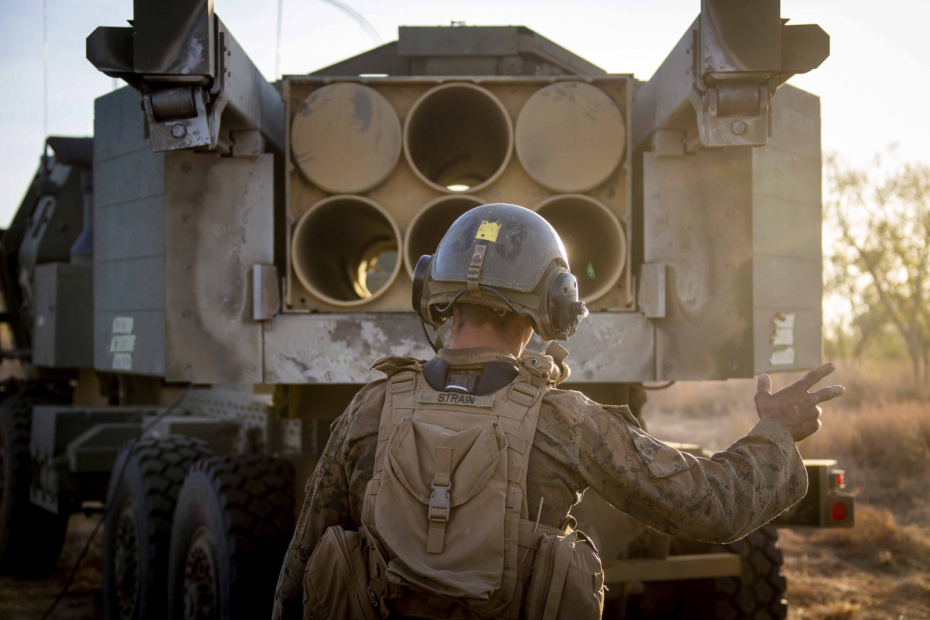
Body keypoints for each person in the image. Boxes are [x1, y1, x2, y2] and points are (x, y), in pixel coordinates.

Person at [272, 203, 844, 619]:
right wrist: (777, 431)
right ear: (555, 305)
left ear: (434, 291)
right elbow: (711, 507)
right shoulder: (566, 421)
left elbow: (299, 570)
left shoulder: (368, 410)